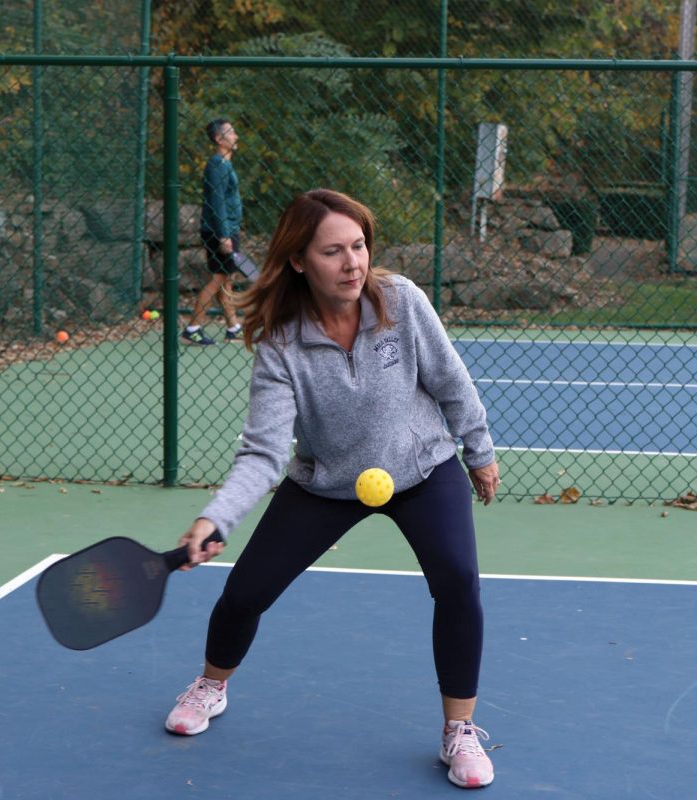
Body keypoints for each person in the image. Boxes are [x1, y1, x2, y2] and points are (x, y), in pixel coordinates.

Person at [164, 188, 502, 789]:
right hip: (326, 482)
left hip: (422, 471)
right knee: (245, 592)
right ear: (299, 260)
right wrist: (215, 519)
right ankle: (211, 685)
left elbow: (451, 379)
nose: (352, 264)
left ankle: (460, 731)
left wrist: (478, 452)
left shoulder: (401, 301)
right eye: (333, 252)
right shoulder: (281, 343)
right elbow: (264, 451)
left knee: (457, 578)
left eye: (359, 246)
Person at [182, 118, 244, 346]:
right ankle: (193, 328)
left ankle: (233, 327)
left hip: (224, 228)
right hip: (220, 231)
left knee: (225, 278)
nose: (235, 136)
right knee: (218, 278)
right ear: (219, 139)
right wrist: (224, 235)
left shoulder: (224, 164)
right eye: (231, 132)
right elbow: (217, 201)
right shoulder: (218, 165)